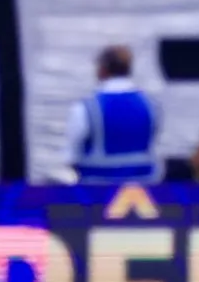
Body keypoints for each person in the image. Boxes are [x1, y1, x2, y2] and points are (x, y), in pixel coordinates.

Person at [65, 45, 160, 185]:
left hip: (97, 197)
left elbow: (70, 158)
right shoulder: (151, 106)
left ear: (102, 70)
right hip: (143, 196)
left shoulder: (85, 109)